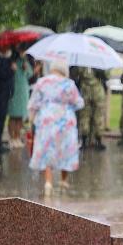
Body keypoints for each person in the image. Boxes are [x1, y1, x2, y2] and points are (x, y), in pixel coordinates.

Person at [28, 59, 84, 194]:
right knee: (66, 149)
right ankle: (64, 181)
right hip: (66, 119)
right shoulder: (69, 84)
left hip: (46, 119)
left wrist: (32, 118)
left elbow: (33, 103)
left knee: (48, 149)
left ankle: (48, 182)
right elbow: (79, 103)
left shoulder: (42, 82)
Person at [75, 66, 107, 151]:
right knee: (98, 117)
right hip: (98, 92)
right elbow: (105, 77)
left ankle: (84, 141)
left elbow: (75, 75)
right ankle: (98, 141)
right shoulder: (99, 66)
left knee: (84, 116)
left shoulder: (80, 66)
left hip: (85, 91)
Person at [7, 51, 34, 149]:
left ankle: (17, 137)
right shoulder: (12, 61)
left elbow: (30, 74)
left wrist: (26, 68)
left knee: (20, 116)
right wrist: (12, 69)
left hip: (23, 90)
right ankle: (12, 138)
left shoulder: (25, 61)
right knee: (13, 116)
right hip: (14, 90)